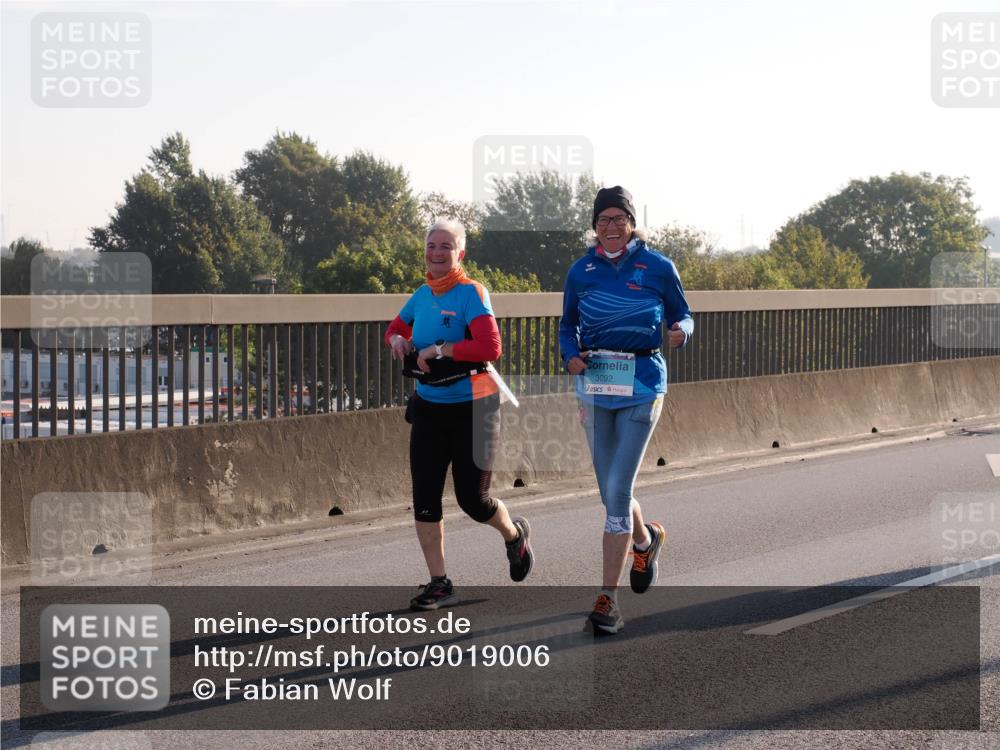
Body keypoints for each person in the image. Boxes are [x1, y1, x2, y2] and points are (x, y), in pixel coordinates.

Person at [559, 186, 693, 634]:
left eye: (620, 219)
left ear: (632, 223)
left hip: (642, 385)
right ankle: (645, 540)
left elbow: (684, 314)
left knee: (617, 489)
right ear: (595, 226)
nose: (612, 227)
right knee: (610, 490)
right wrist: (570, 354)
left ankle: (607, 600)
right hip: (595, 385)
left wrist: (681, 333)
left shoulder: (658, 267)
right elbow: (566, 326)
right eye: (604, 220)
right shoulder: (582, 271)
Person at [386, 219, 534, 610]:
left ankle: (513, 535)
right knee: (425, 498)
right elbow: (394, 329)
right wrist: (399, 340)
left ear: (460, 253)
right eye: (431, 246)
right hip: (429, 406)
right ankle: (439, 583)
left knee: (473, 499)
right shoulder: (421, 294)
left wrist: (439, 350)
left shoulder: (472, 293)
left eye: (445, 247)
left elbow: (490, 346)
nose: (437, 253)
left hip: (475, 406)